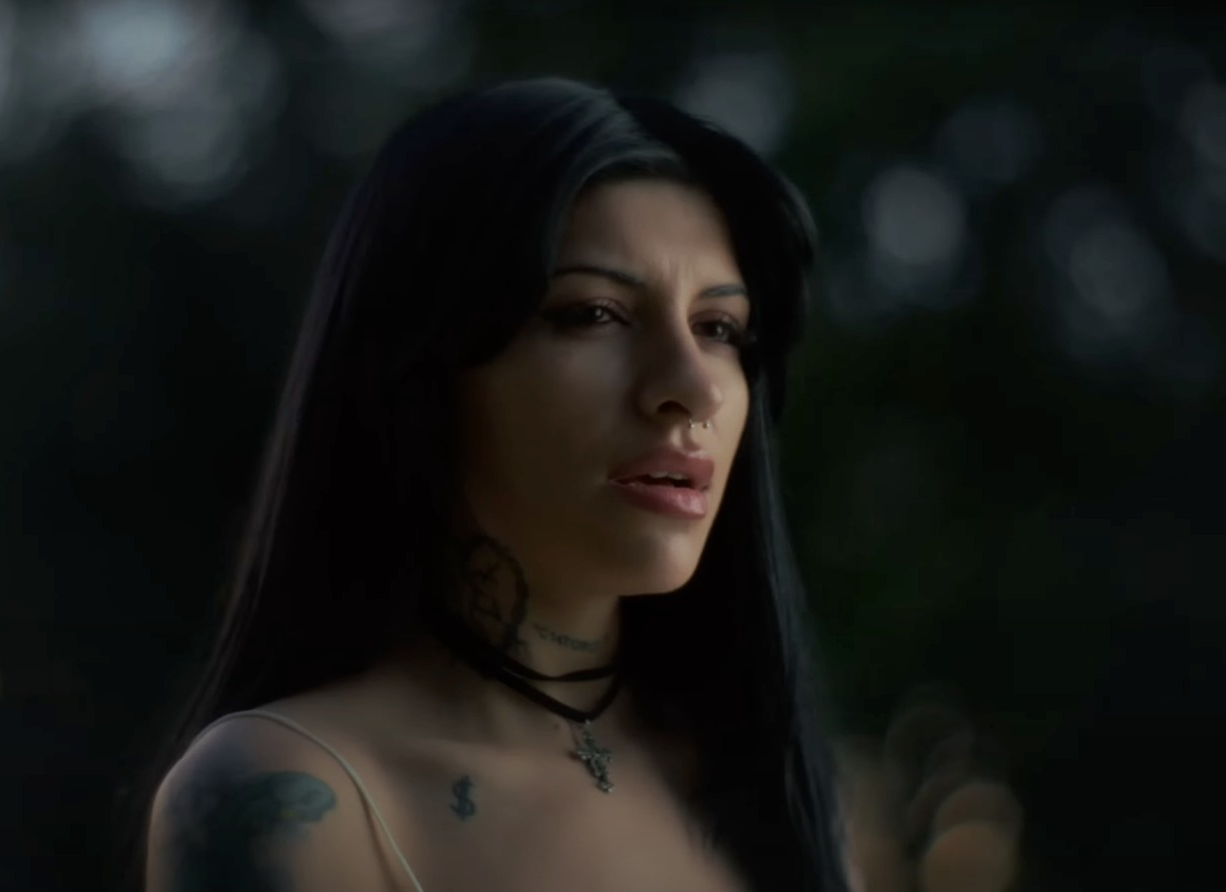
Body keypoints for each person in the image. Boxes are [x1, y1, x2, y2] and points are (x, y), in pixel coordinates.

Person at [137, 77, 851, 892]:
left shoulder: (778, 788)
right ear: (422, 366)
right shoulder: (286, 797)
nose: (694, 389)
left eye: (718, 328)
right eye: (594, 314)